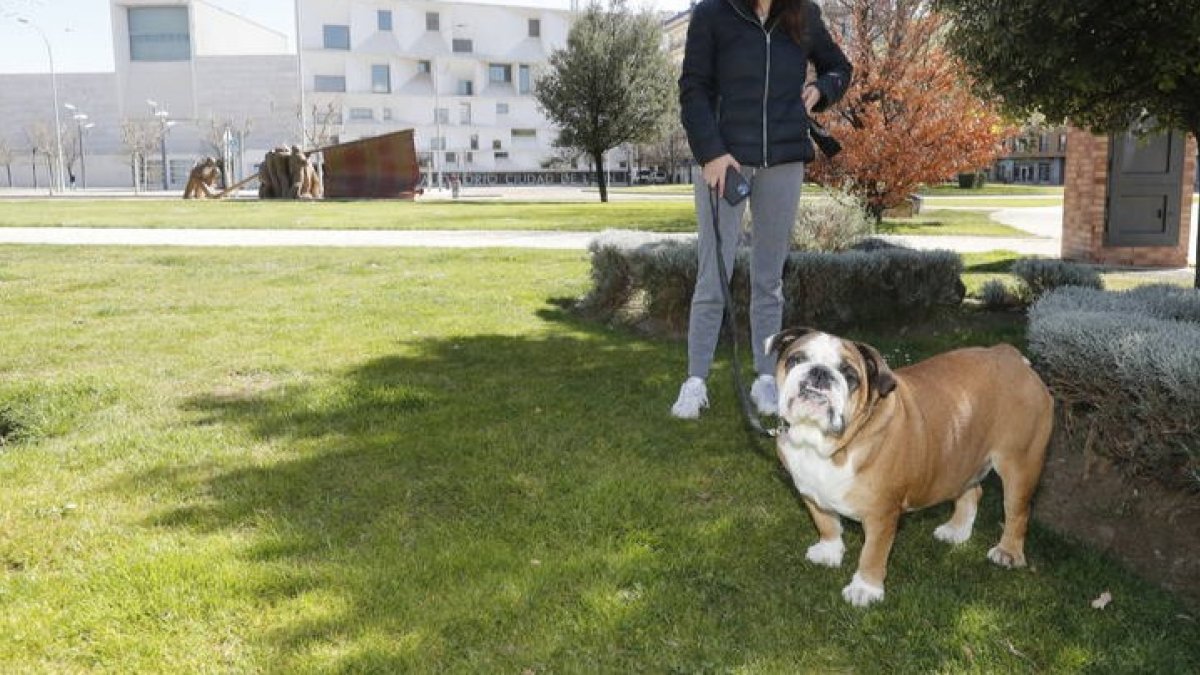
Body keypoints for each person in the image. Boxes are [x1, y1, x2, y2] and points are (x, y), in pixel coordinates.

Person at [671, 0, 852, 419]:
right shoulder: (712, 13)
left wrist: (822, 89)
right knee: (712, 275)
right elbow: (693, 89)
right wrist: (712, 154)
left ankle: (766, 378)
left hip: (784, 161)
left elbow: (840, 67)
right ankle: (695, 381)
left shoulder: (803, 13)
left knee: (769, 280)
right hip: (726, 164)